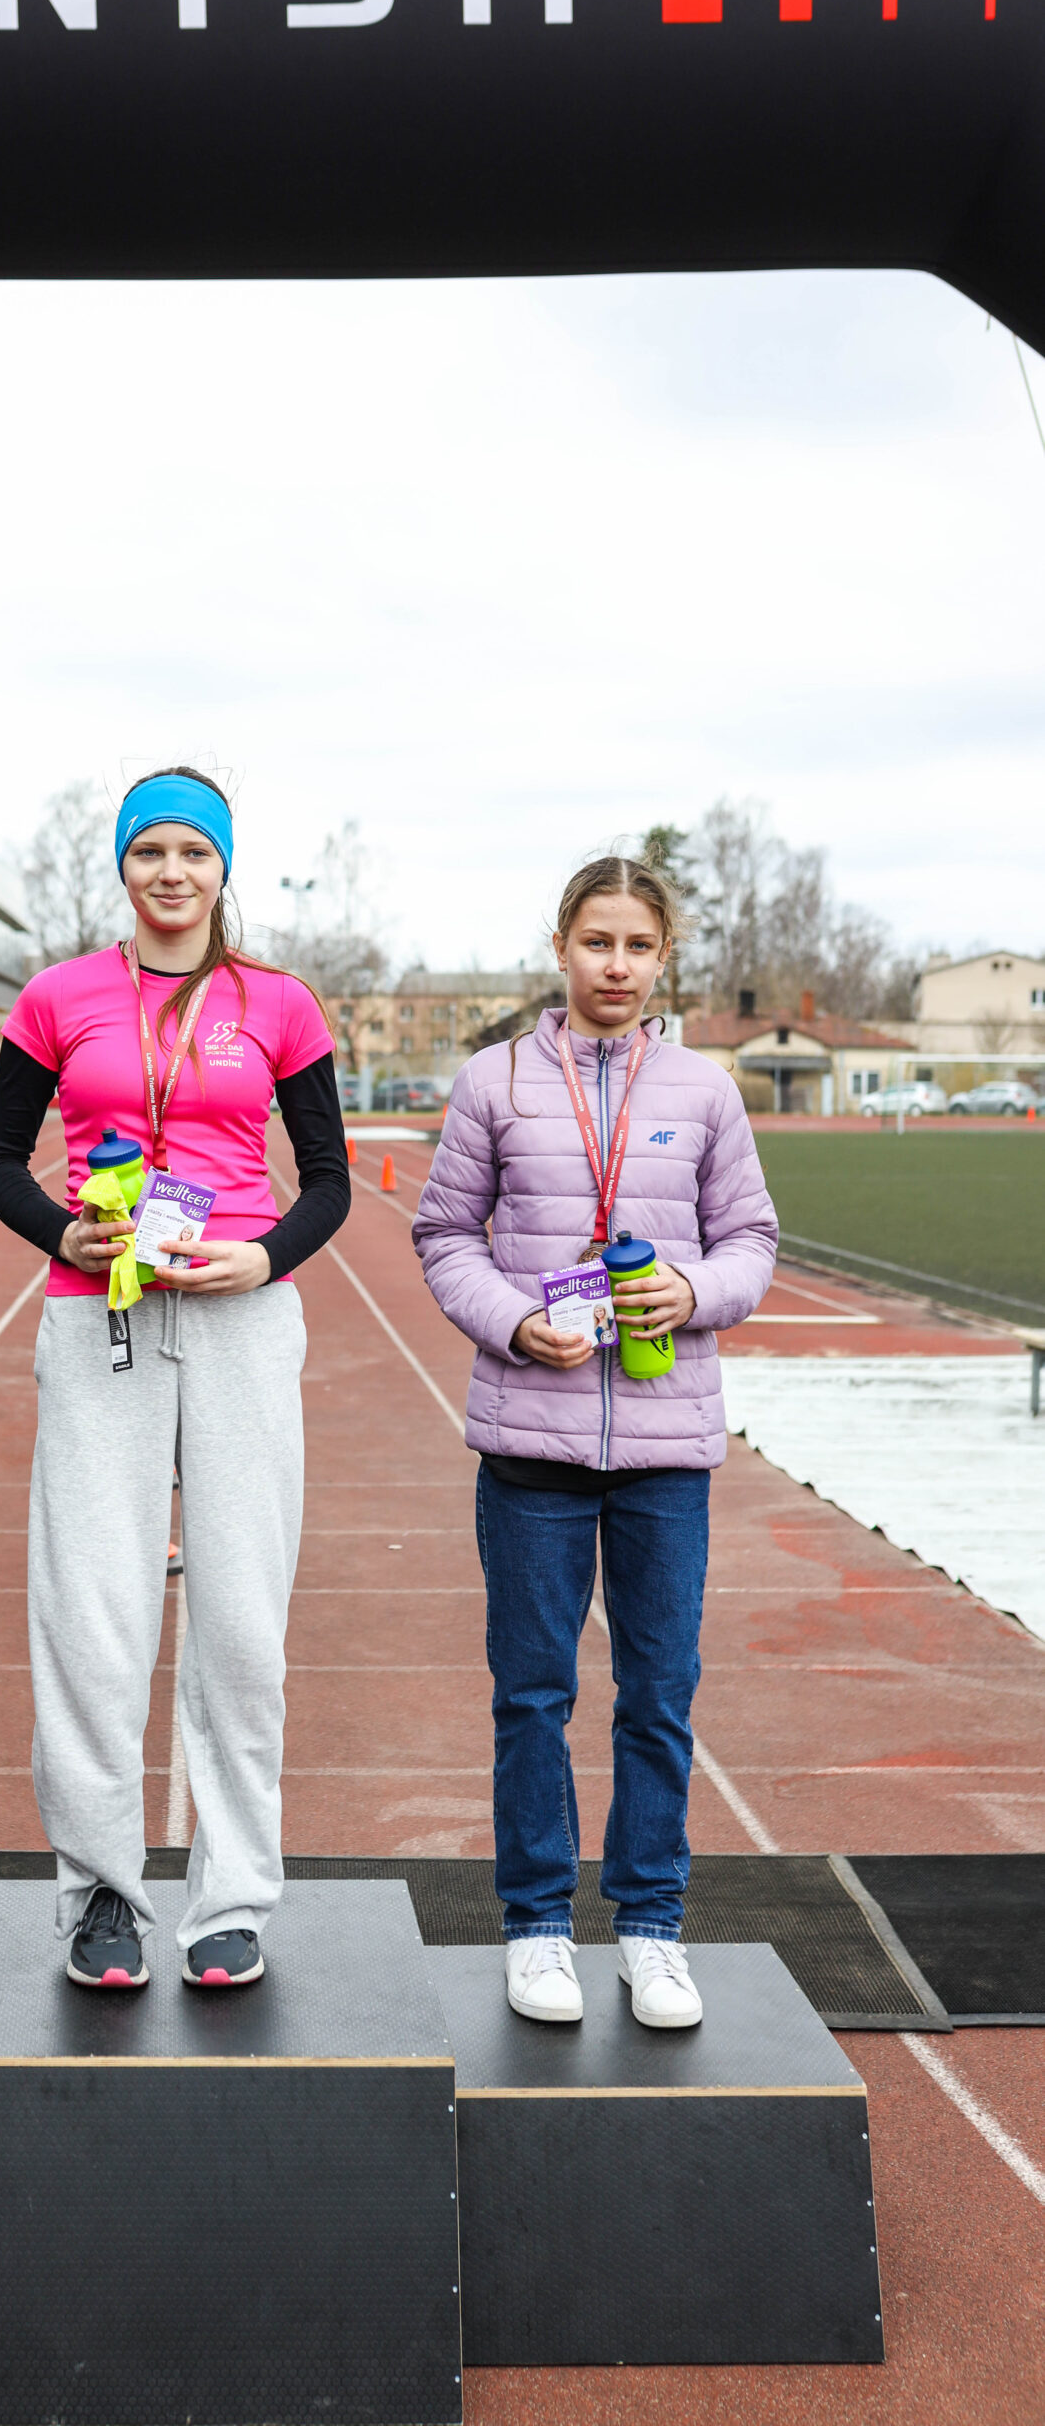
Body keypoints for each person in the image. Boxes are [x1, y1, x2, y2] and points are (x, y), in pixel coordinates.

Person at [0, 767, 350, 1989]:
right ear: (123, 866)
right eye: (150, 851)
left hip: (241, 1318)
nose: (172, 871)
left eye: (194, 850)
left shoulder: (279, 1003)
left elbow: (330, 1180)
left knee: (240, 1624)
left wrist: (264, 1255)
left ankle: (232, 1898)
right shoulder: (58, 996)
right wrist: (63, 1234)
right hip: (101, 1318)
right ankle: (99, 1893)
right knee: (91, 1615)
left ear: (223, 866)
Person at [412, 855, 776, 2030]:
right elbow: (443, 1234)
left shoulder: (707, 1090)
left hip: (667, 1450)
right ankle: (536, 1928)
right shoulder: (496, 1080)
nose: (616, 965)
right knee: (532, 1695)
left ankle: (652, 1930)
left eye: (638, 946)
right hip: (533, 1447)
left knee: (658, 1695)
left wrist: (694, 1289)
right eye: (597, 941)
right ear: (561, 946)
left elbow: (753, 1240)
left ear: (665, 958)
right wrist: (516, 1321)